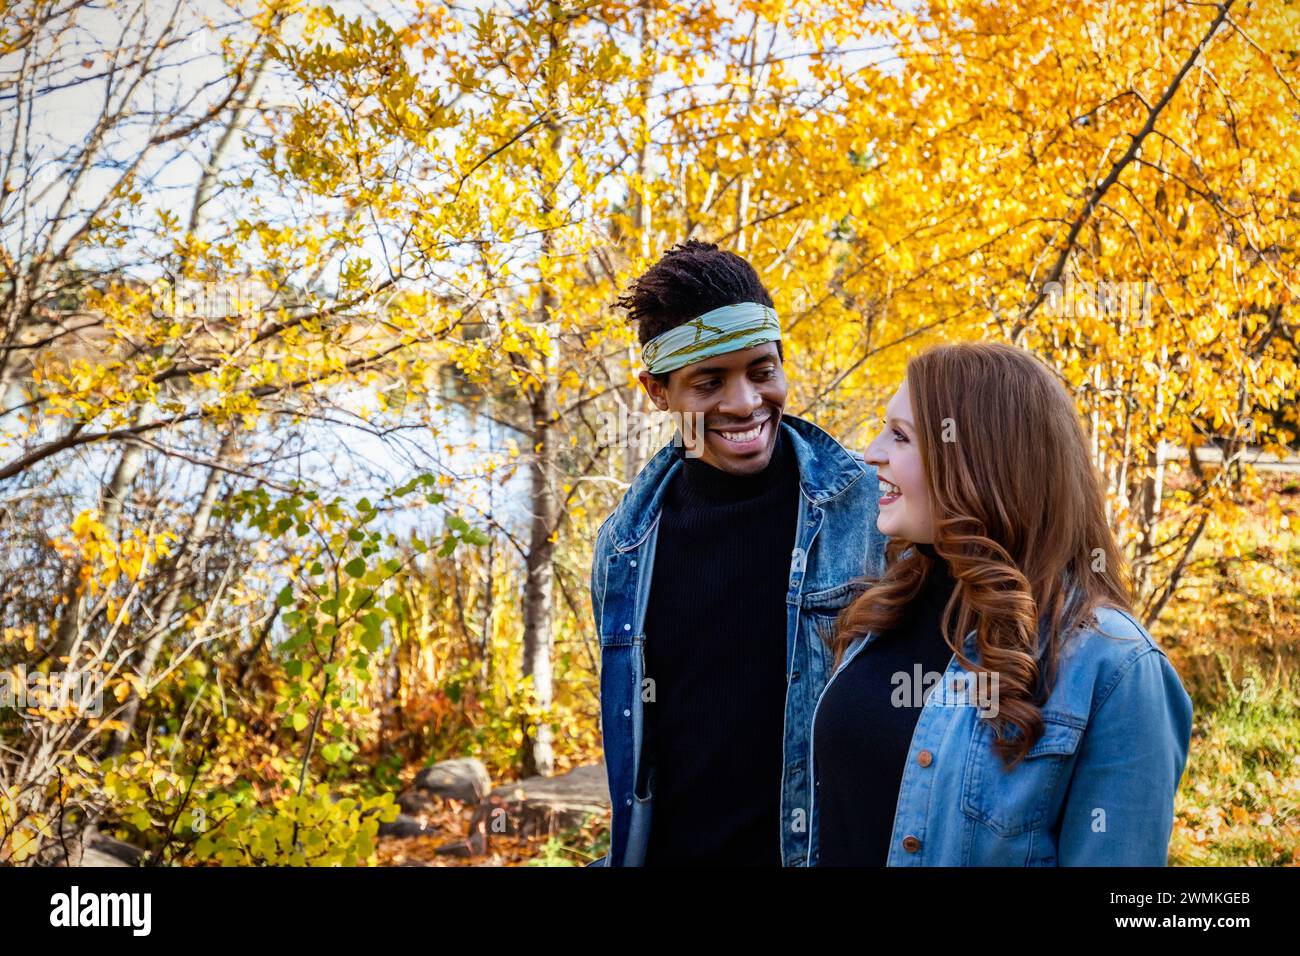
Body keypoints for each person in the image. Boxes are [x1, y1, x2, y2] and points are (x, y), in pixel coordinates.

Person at [808, 341, 1194, 866]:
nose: (872, 452)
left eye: (899, 436)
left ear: (978, 463)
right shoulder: (884, 606)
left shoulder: (1115, 670)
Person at [588, 240, 888, 866]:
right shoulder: (624, 547)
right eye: (708, 382)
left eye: (760, 370)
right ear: (656, 391)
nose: (744, 403)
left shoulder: (871, 511)